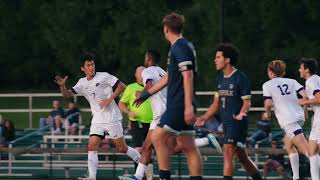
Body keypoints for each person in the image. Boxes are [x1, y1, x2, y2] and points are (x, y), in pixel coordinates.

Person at [133, 13, 203, 180]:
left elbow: (187, 76)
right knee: (188, 146)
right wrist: (147, 94)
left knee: (157, 138)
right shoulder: (182, 46)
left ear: (166, 29)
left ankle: (164, 177)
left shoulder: (179, 46)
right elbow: (169, 78)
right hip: (181, 102)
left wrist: (187, 106)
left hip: (179, 103)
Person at [54, 52, 141, 180]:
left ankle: (144, 163)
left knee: (122, 148)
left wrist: (109, 99)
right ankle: (92, 177)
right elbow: (67, 95)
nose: (91, 67)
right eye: (88, 65)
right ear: (82, 68)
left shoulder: (104, 76)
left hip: (112, 117)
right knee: (92, 145)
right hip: (97, 119)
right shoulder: (82, 83)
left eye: (93, 64)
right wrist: (62, 86)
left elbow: (122, 86)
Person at [195, 43, 261, 180]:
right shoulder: (219, 79)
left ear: (227, 60)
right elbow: (216, 103)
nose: (215, 60)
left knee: (227, 151)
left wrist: (242, 113)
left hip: (237, 122)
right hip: (226, 123)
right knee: (242, 157)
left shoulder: (240, 78)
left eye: (218, 57)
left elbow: (247, 103)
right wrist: (204, 118)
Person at [262, 60, 311, 180]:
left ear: (270, 71)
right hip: (298, 117)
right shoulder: (292, 81)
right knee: (288, 144)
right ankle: (296, 177)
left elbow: (268, 104)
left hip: (288, 121)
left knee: (309, 152)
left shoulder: (267, 84)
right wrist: (305, 111)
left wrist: (267, 113)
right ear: (283, 72)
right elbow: (305, 95)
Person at [118, 66, 153, 151]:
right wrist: (128, 112)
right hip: (137, 122)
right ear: (135, 75)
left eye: (144, 73)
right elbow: (121, 103)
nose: (142, 75)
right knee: (139, 148)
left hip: (152, 122)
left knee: (149, 148)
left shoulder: (153, 86)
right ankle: (137, 164)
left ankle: (149, 164)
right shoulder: (130, 87)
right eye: (140, 73)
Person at [298, 58, 320, 180]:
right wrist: (305, 106)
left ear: (307, 70)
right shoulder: (316, 79)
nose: (299, 70)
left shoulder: (311, 81)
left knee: (314, 150)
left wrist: (305, 101)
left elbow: (319, 98)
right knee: (312, 150)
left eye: (301, 67)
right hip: (317, 116)